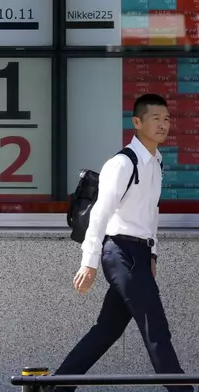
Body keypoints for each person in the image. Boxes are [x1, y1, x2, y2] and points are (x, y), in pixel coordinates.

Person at [49, 94, 193, 392]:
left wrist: (152, 255)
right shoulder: (122, 163)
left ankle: (56, 388)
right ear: (137, 122)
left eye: (167, 119)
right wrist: (89, 263)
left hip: (139, 253)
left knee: (106, 331)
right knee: (156, 327)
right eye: (156, 119)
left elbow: (151, 212)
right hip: (119, 252)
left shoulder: (155, 161)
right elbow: (101, 213)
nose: (163, 125)